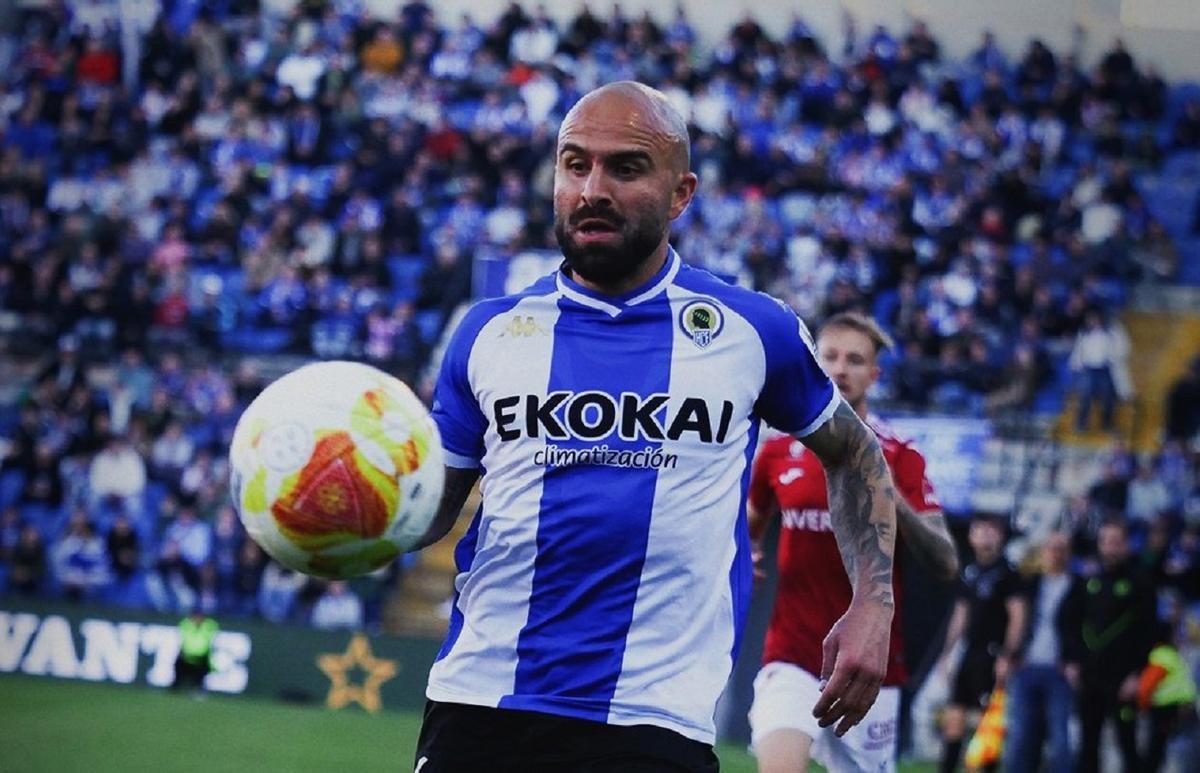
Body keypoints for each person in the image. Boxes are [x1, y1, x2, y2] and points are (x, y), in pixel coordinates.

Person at [410, 82, 900, 773]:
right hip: (483, 704)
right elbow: (431, 511)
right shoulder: (487, 333)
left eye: (626, 168)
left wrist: (873, 605)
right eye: (575, 164)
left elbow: (855, 455)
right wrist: (360, 513)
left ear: (681, 193)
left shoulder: (751, 330)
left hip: (654, 719)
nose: (592, 189)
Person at [745, 312, 959, 773]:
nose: (841, 370)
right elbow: (748, 524)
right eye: (831, 357)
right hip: (792, 654)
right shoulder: (778, 451)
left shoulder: (901, 453)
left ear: (875, 375)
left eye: (856, 360)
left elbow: (945, 562)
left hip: (869, 663)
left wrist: (886, 495)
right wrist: (742, 554)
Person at [935, 515, 1027, 773]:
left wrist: (1008, 656)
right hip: (969, 653)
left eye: (991, 530)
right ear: (971, 537)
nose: (985, 534)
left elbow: (1018, 615)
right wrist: (947, 653)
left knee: (986, 722)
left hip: (993, 654)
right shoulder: (970, 571)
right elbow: (960, 615)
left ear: (1000, 536)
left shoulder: (1008, 572)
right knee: (954, 718)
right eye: (979, 530)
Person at [1077, 519, 1157, 773]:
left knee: (1127, 745)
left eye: (1116, 542)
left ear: (1126, 545)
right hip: (1090, 678)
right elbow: (1071, 623)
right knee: (1088, 745)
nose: (1111, 548)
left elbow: (1149, 633)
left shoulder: (1141, 584)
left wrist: (1136, 674)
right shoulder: (1089, 583)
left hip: (1123, 680)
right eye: (1106, 541)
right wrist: (1073, 663)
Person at [1003, 531, 1084, 773]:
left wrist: (1074, 661)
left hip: (1059, 671)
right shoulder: (1029, 583)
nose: (1056, 554)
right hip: (1026, 666)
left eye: (1061, 548)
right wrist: (1010, 655)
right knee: (1020, 738)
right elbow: (1015, 620)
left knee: (1061, 740)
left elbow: (1083, 628)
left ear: (1069, 552)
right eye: (1051, 548)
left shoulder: (1079, 587)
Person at [1136, 618, 1198, 773]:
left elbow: (1145, 688)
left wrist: (1142, 705)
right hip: (1178, 709)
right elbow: (1147, 687)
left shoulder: (1162, 656)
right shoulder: (1168, 655)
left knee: (1160, 750)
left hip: (1170, 710)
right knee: (1183, 748)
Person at [173, 608, 217, 693]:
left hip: (201, 657)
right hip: (186, 656)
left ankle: (198, 689)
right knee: (179, 670)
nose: (197, 619)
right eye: (195, 616)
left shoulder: (209, 626)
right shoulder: (186, 625)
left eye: (199, 616)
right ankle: (176, 689)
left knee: (200, 674)